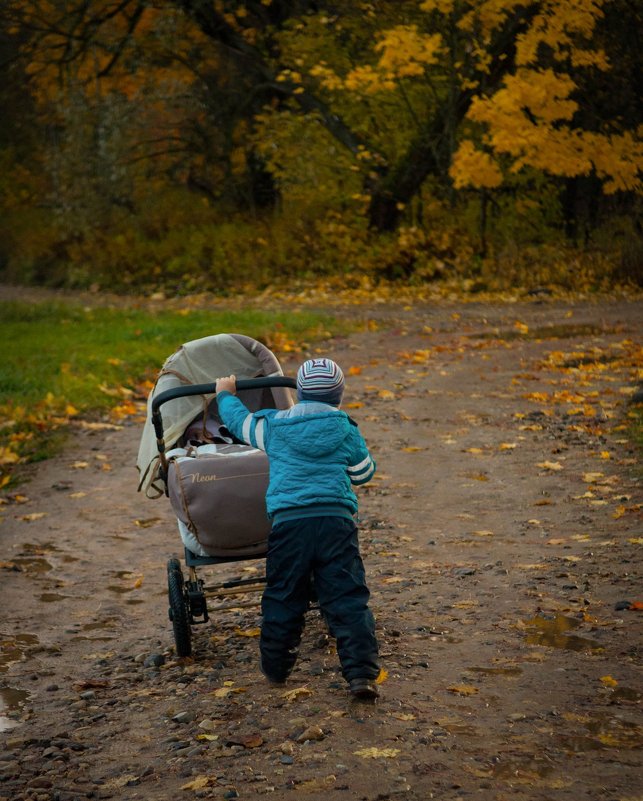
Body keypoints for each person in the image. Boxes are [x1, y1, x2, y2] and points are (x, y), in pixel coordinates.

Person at [215, 357, 380, 700]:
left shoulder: (274, 426)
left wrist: (225, 395)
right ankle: (361, 674)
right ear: (339, 396)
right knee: (347, 596)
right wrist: (339, 474)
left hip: (290, 525)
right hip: (335, 522)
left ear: (299, 393)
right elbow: (364, 472)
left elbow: (239, 424)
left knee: (283, 593)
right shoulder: (347, 430)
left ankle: (276, 667)